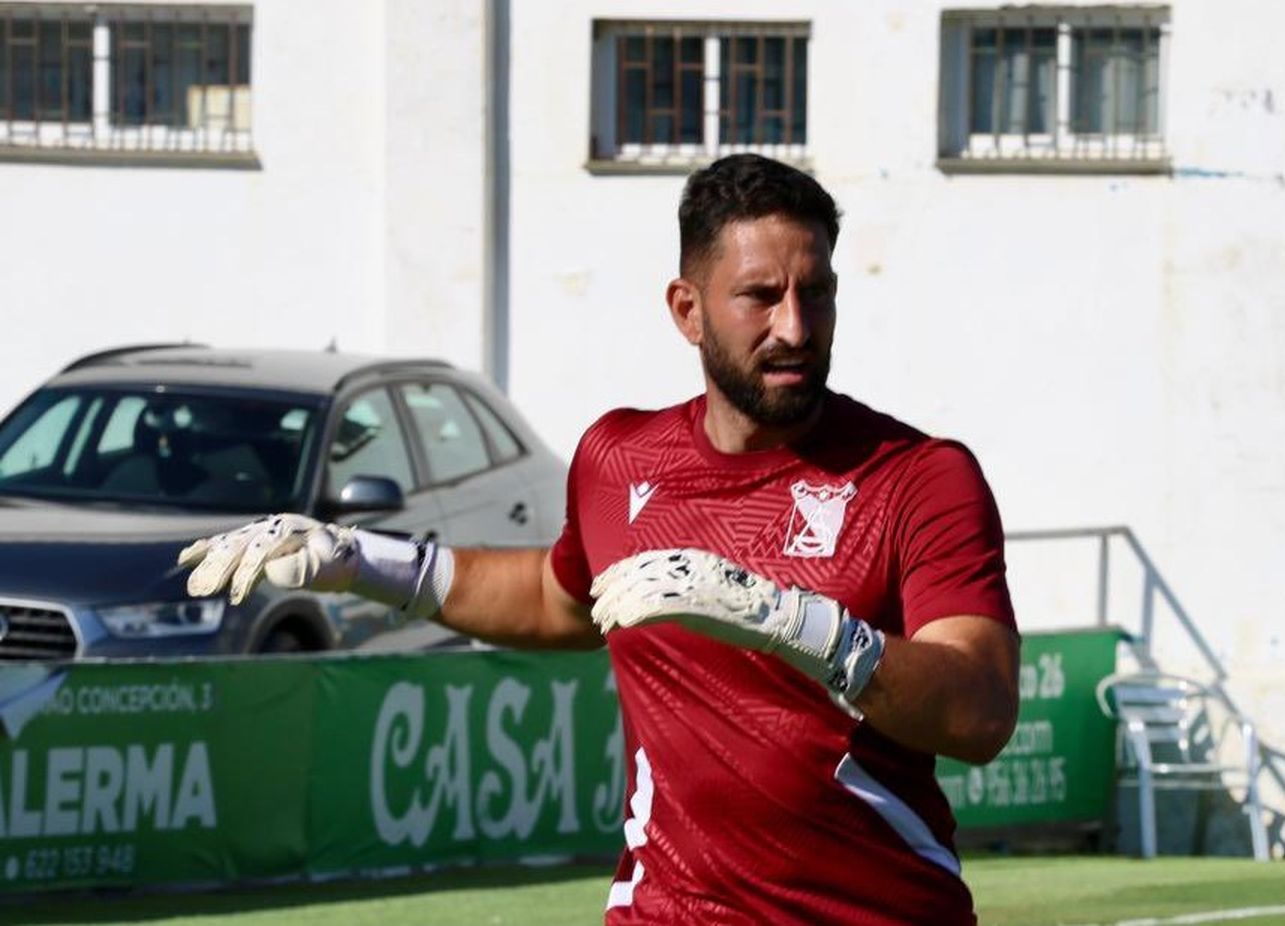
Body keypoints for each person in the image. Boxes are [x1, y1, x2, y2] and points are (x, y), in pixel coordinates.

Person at [180, 153, 1020, 924]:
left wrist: (787, 619)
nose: (796, 328)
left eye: (818, 292)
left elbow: (978, 710)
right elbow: (558, 601)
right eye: (761, 297)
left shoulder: (919, 476)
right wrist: (361, 558)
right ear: (687, 311)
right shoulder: (619, 458)